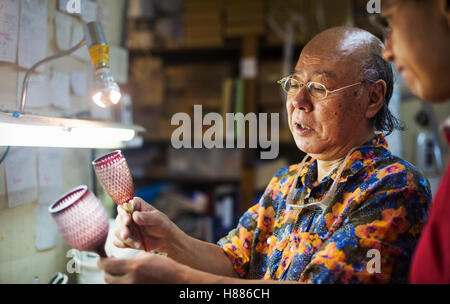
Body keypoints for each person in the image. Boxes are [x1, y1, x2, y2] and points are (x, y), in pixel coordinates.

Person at [98, 26, 432, 284]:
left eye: (319, 87)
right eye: (295, 83)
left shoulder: (395, 187)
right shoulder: (287, 182)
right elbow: (234, 262)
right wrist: (170, 239)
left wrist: (178, 278)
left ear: (373, 99)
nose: (298, 101)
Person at [378, 0, 450, 283]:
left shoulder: (389, 186)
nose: (388, 50)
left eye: (390, 21)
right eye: (293, 84)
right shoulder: (286, 182)